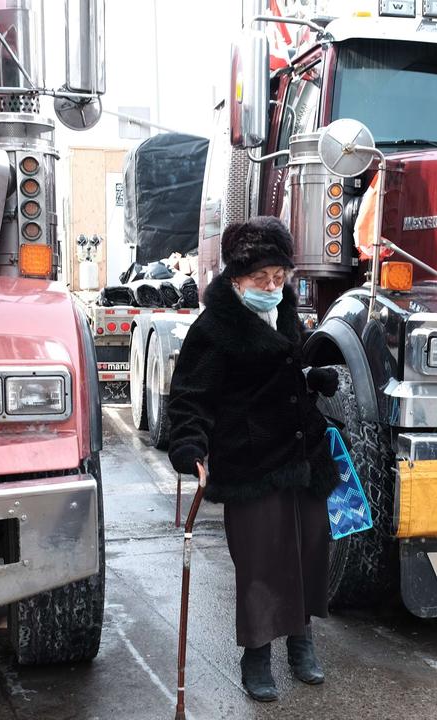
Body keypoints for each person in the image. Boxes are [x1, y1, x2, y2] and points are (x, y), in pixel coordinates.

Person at [167, 216, 340, 703]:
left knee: (307, 548)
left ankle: (301, 643)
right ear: (236, 278)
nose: (272, 287)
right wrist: (189, 444)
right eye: (261, 279)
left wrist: (313, 378)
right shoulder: (214, 328)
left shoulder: (285, 313)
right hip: (251, 459)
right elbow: (192, 397)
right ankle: (257, 654)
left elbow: (288, 368)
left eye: (280, 278)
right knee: (261, 561)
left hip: (301, 455)